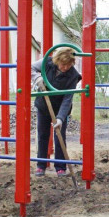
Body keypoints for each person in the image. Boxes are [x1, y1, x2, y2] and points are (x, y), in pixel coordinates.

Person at [31, 47, 81, 177]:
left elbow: (67, 99)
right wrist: (37, 79)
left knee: (59, 136)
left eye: (68, 65)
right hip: (44, 105)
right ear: (57, 60)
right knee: (42, 135)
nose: (65, 67)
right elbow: (30, 68)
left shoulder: (73, 75)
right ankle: (41, 165)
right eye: (63, 64)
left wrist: (60, 118)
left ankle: (60, 167)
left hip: (60, 109)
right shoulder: (47, 63)